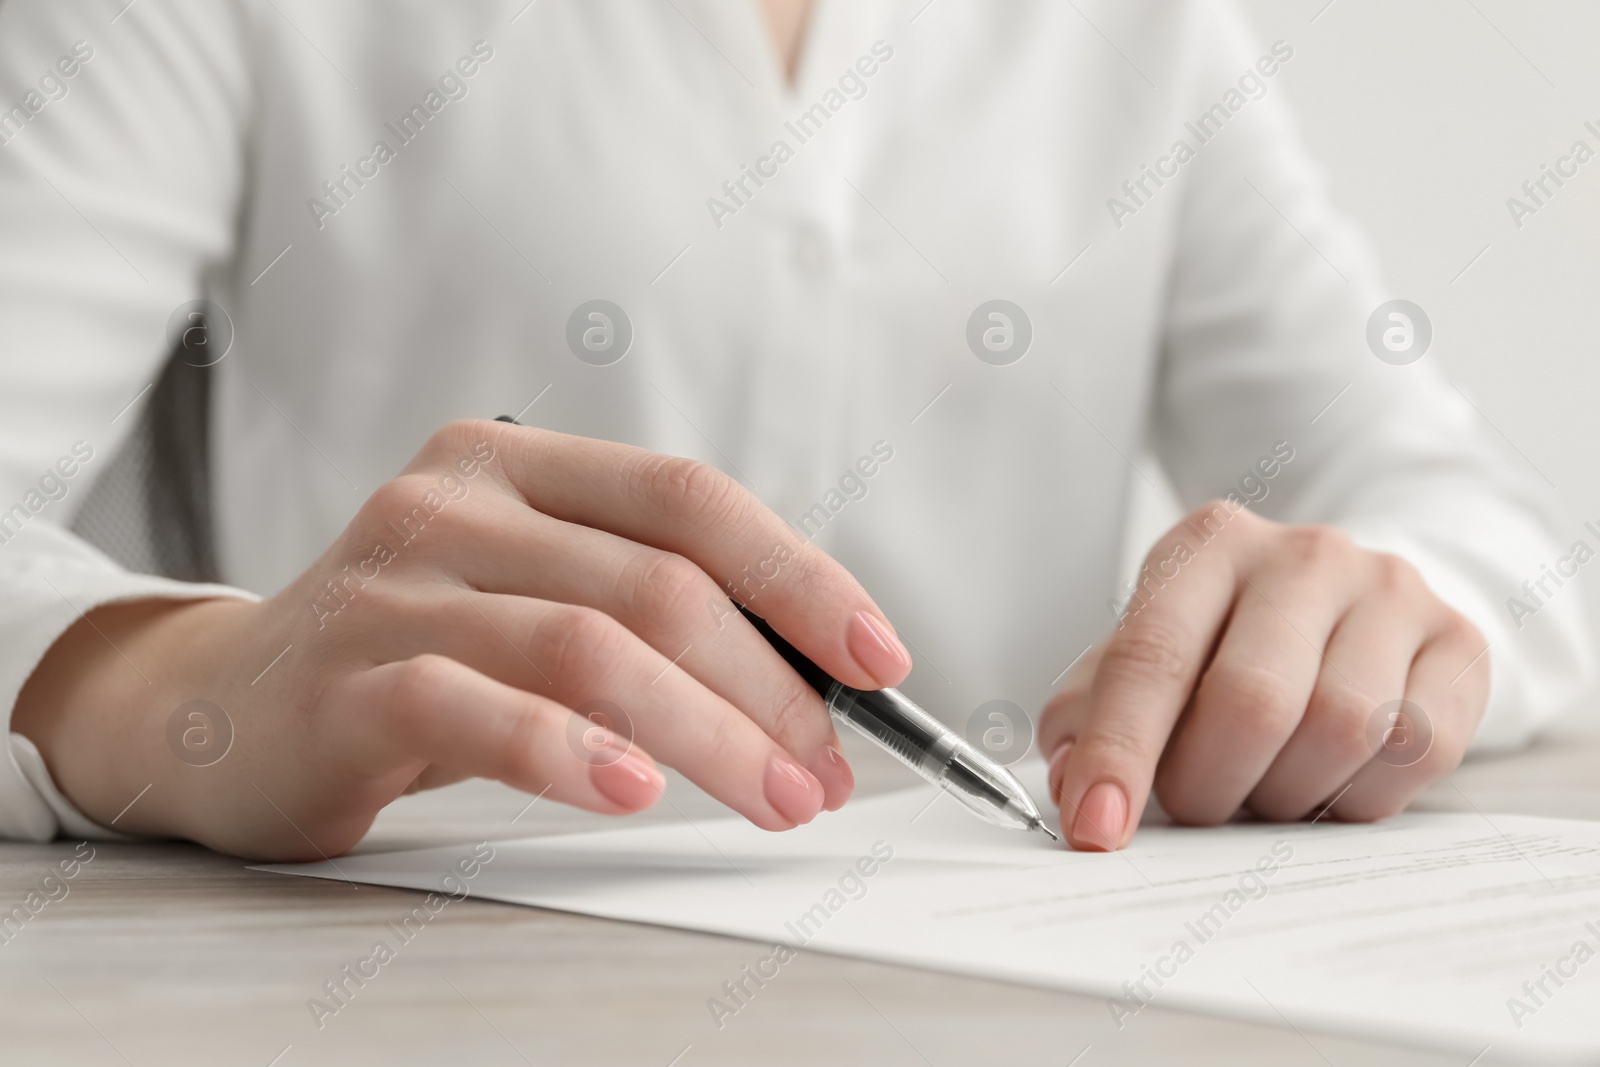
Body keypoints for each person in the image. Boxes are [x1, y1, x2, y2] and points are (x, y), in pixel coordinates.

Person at [0, 0, 1587, 860]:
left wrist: (1381, 616)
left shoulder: (1144, 29)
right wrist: (188, 694)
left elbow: (1471, 524)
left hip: (1006, 1001)